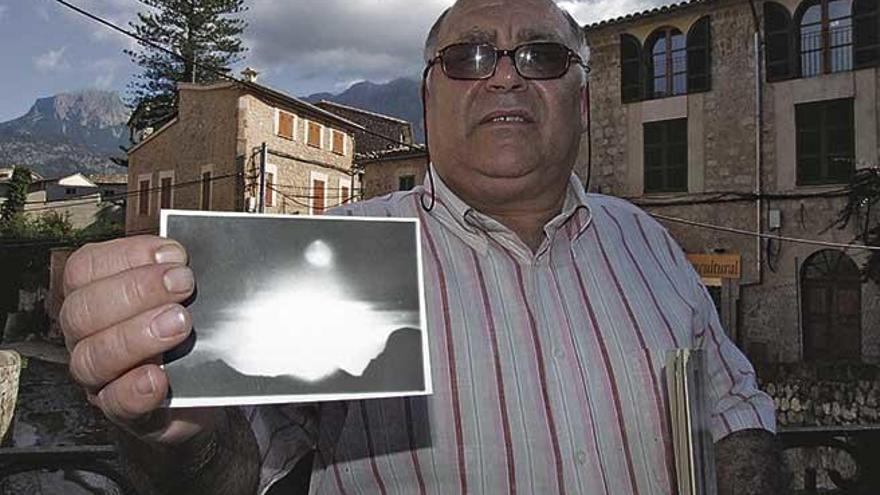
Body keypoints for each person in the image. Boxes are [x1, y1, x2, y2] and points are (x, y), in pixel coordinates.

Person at [59, 0, 783, 493]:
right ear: (427, 98)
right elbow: (238, 468)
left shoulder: (652, 246)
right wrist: (172, 429)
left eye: (541, 55)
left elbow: (735, 412)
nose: (504, 72)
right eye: (468, 57)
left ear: (583, 100)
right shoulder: (332, 254)